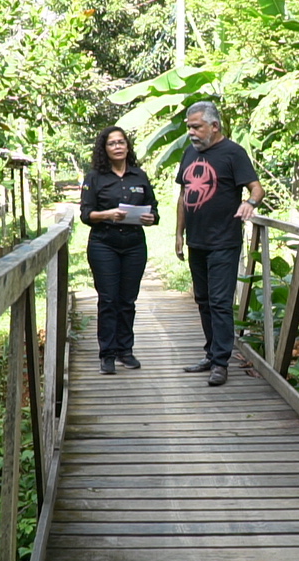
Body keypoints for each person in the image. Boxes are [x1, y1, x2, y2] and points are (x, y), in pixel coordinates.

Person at [174, 100, 266, 386]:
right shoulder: (190, 153)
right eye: (189, 127)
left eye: (197, 127)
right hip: (196, 241)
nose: (191, 132)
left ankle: (221, 363)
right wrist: (178, 234)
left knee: (220, 302)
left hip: (224, 241)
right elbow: (183, 195)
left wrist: (250, 203)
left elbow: (257, 188)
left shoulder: (233, 153)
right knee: (202, 300)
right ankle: (211, 353)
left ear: (214, 126)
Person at [80, 126, 158, 374]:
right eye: (112, 143)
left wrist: (151, 217)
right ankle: (107, 354)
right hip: (104, 243)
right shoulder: (95, 177)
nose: (117, 146)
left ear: (127, 146)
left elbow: (154, 210)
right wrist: (108, 214)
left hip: (134, 244)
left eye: (121, 142)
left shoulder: (139, 175)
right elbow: (86, 215)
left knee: (127, 300)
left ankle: (126, 350)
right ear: (104, 148)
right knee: (108, 299)